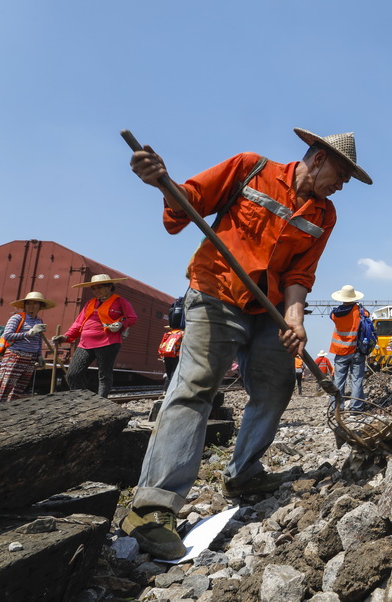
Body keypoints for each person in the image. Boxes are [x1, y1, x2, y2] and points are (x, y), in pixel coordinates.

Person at [123, 126, 371, 560]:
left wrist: (294, 317)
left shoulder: (325, 215)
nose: (343, 184)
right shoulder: (249, 167)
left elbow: (300, 274)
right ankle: (152, 508)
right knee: (196, 386)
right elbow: (187, 205)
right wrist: (161, 182)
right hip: (216, 292)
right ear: (316, 158)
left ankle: (243, 473)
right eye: (342, 173)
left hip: (269, 310)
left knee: (275, 387)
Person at [52, 274, 138, 397]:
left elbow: (132, 318)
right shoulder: (90, 303)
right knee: (72, 374)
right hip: (85, 343)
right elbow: (78, 323)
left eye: (100, 287)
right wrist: (66, 337)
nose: (96, 291)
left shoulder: (120, 301)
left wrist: (121, 324)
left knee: (104, 375)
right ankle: (83, 400)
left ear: (109, 287)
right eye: (93, 288)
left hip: (108, 342)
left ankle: (102, 402)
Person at [0, 291, 54, 402]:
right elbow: (7, 335)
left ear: (40, 306)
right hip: (15, 355)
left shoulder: (39, 321)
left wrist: (39, 355)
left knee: (19, 388)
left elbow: (38, 339)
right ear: (24, 305)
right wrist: (29, 333)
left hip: (30, 359)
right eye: (28, 303)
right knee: (5, 385)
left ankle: (9, 410)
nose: (31, 306)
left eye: (35, 303)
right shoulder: (17, 318)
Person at [329, 284, 370, 412]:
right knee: (356, 380)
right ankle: (356, 408)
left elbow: (332, 316)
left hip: (340, 352)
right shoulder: (360, 312)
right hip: (357, 351)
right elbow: (367, 316)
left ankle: (336, 408)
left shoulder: (335, 314)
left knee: (338, 380)